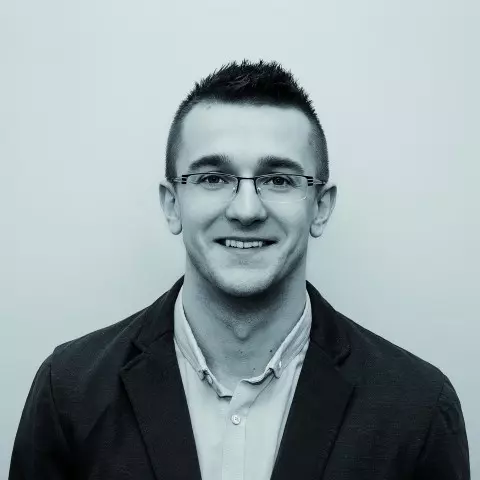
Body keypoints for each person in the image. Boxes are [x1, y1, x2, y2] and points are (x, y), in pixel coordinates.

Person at [9, 60, 469, 480]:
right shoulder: (68, 391)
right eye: (213, 178)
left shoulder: (419, 409)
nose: (246, 210)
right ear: (172, 205)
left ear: (321, 207)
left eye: (279, 180)